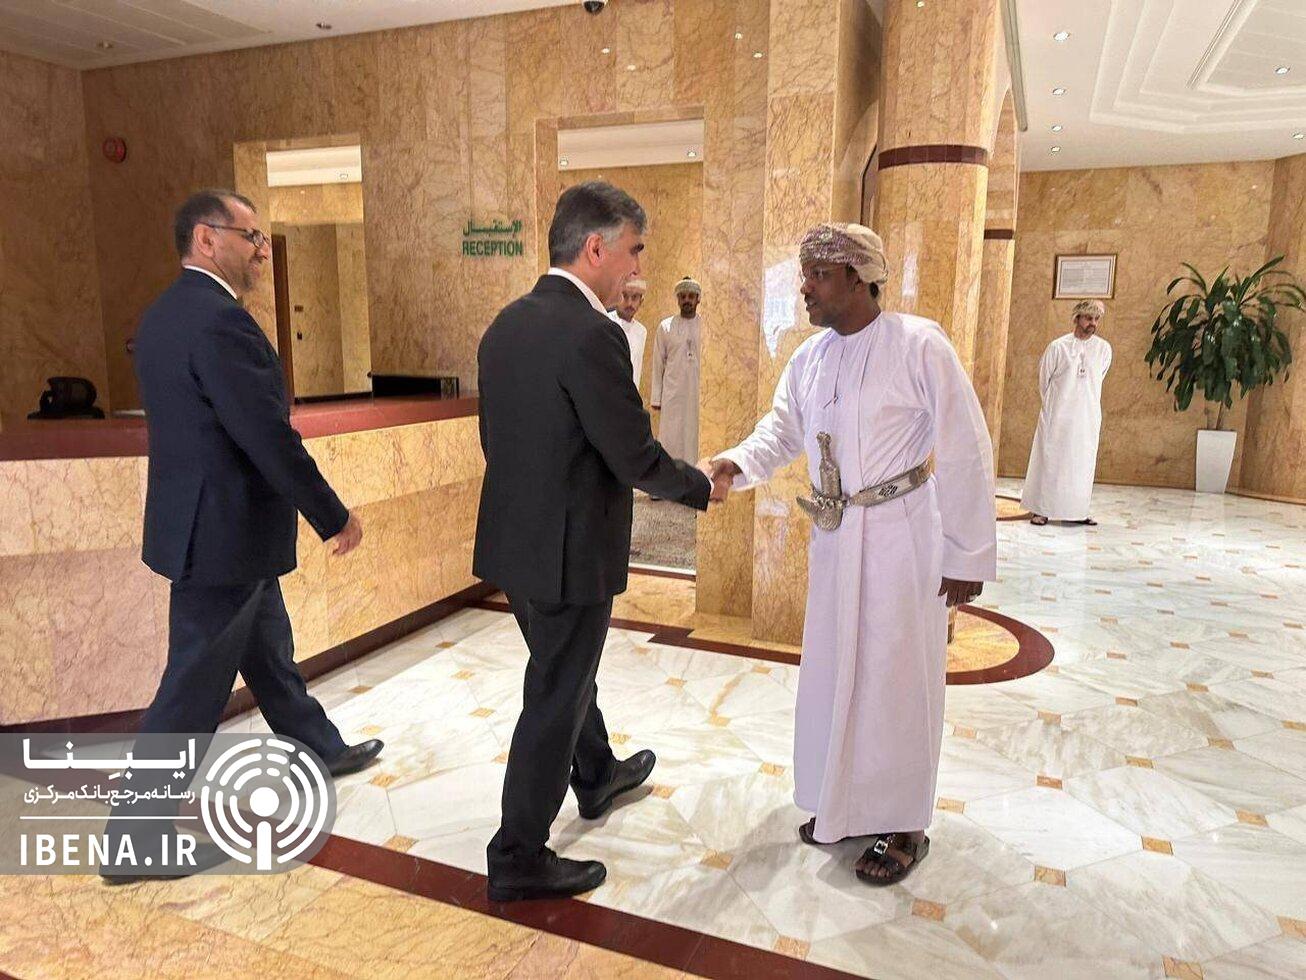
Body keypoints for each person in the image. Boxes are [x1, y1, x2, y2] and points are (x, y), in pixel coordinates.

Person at [103, 190, 383, 884]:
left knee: (268, 649)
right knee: (192, 685)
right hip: (224, 534)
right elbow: (265, 435)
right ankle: (133, 838)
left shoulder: (164, 315)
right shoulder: (222, 322)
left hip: (210, 528)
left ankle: (317, 745)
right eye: (250, 237)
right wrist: (331, 513)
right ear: (206, 239)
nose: (262, 251)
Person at [704, 223, 996, 886]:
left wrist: (966, 553)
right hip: (837, 537)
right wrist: (734, 464)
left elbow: (965, 447)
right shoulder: (810, 359)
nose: (805, 288)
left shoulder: (919, 344)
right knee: (837, 670)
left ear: (859, 277)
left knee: (897, 677)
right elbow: (780, 432)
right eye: (804, 274)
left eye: (818, 275)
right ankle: (840, 804)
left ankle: (905, 824)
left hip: (903, 536)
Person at [475, 181, 712, 902]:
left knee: (565, 670)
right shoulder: (592, 333)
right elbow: (632, 454)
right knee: (556, 691)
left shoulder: (506, 325)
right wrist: (701, 485)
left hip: (517, 543)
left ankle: (598, 772)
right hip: (570, 551)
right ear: (596, 247)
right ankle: (517, 854)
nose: (639, 268)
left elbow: (501, 441)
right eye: (635, 251)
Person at [1021, 300, 1112, 526]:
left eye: (1096, 319)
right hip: (1058, 416)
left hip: (1087, 417)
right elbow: (1044, 381)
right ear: (1077, 318)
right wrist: (1056, 406)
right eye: (1088, 318)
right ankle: (1042, 510)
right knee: (1051, 461)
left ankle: (1077, 511)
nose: (1093, 323)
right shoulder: (1058, 347)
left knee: (1081, 463)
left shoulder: (1104, 349)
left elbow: (1098, 378)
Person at [650, 276, 702, 461]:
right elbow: (658, 363)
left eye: (691, 296)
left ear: (698, 299)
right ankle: (668, 476)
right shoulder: (665, 327)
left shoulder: (705, 326)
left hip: (696, 393)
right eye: (683, 296)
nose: (687, 300)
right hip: (672, 394)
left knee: (692, 438)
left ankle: (692, 475)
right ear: (678, 299)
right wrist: (656, 398)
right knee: (670, 437)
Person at [608, 277, 649, 392]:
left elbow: (637, 368)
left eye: (634, 297)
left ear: (641, 302)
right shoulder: (606, 322)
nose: (629, 303)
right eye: (625, 296)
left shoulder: (641, 331)